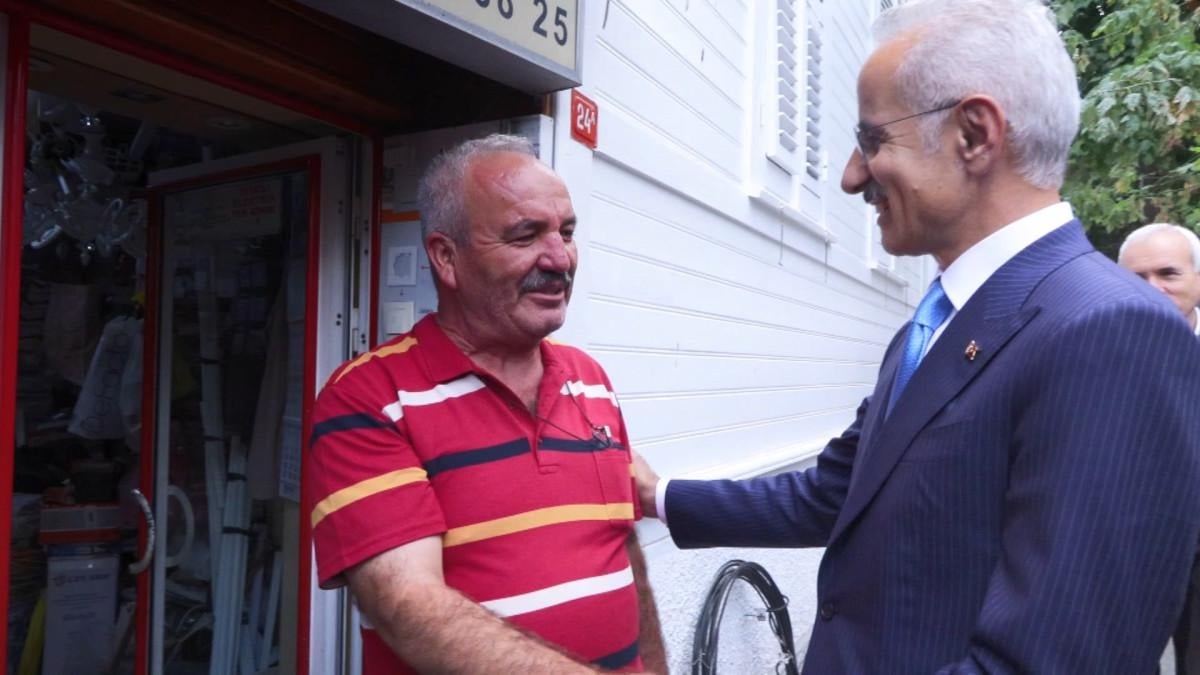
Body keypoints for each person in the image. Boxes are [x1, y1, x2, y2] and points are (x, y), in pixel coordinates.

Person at [633, 0, 1200, 672]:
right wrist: (656, 495)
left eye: (873, 140)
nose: (851, 175)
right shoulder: (933, 325)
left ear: (974, 134)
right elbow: (836, 495)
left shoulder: (1110, 329)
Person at [304, 135, 666, 674]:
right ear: (446, 258)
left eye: (567, 232)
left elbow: (624, 551)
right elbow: (408, 606)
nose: (560, 258)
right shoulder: (369, 398)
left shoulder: (590, 380)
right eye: (526, 235)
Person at [1119, 222, 1200, 674]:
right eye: (1137, 277)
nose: (1153, 288)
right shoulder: (1091, 351)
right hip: (1123, 547)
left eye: (1168, 273)